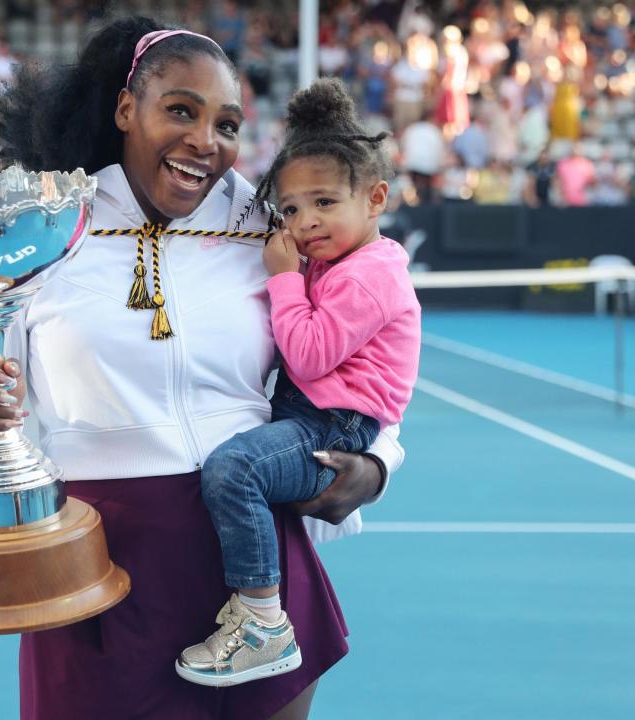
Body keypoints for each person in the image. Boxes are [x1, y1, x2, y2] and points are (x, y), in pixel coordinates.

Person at [0, 17, 404, 720]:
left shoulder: (269, 229)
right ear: (126, 108)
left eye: (227, 124)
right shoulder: (35, 229)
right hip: (99, 569)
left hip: (253, 577)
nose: (205, 141)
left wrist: (377, 462)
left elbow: (368, 351)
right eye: (181, 111)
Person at [176, 78, 420, 687]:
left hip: (332, 424)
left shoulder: (367, 276)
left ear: (375, 198)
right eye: (289, 209)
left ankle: (262, 621)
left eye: (324, 203)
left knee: (236, 470)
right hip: (313, 414)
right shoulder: (343, 263)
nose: (304, 223)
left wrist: (284, 277)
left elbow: (309, 356)